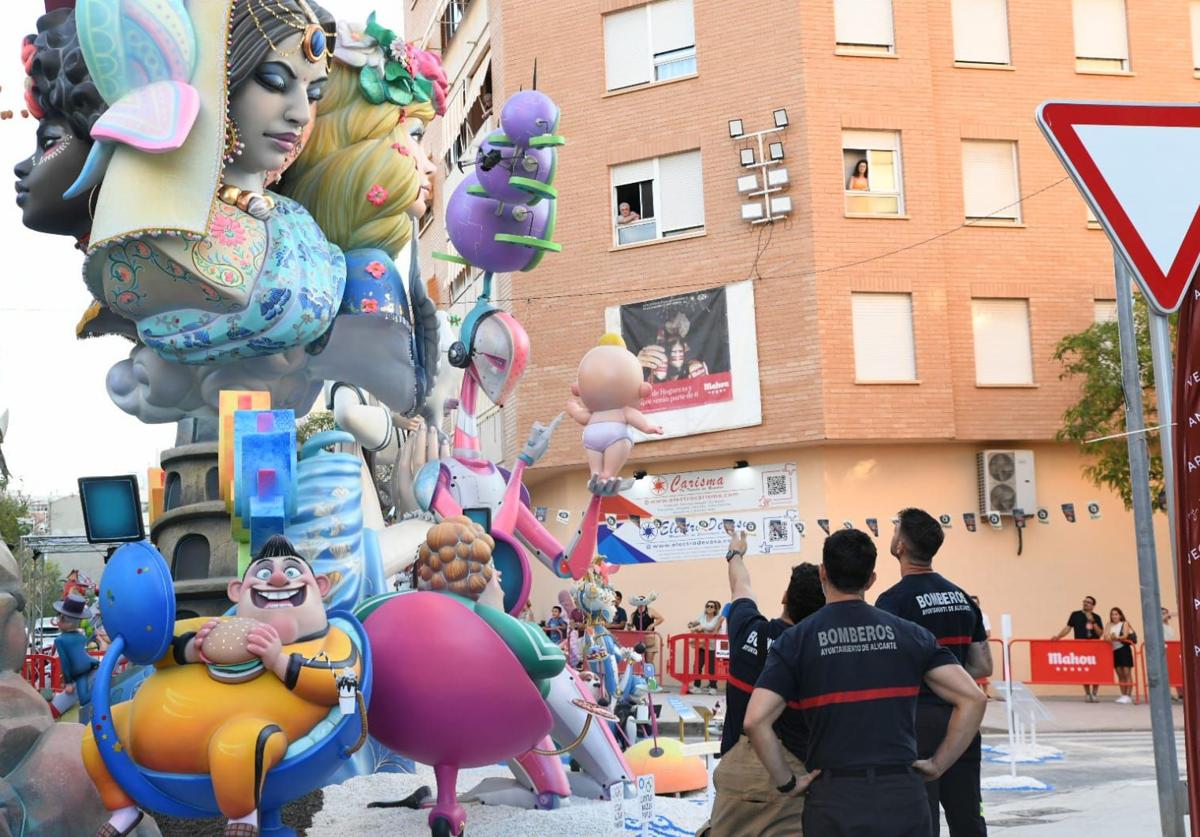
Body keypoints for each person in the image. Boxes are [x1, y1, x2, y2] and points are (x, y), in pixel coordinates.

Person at [81, 535, 361, 837]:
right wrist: (191, 650)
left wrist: (279, 661)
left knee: (238, 743)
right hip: (142, 742)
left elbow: (344, 683)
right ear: (237, 591)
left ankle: (243, 817)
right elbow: (156, 643)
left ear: (319, 586)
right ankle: (122, 808)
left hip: (248, 736)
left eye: (292, 572)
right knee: (95, 735)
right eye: (264, 573)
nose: (278, 578)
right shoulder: (217, 628)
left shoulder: (331, 640)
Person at [745, 529, 987, 837]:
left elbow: (755, 720)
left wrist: (788, 782)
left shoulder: (796, 641)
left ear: (823, 573)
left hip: (834, 798)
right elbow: (973, 699)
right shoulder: (910, 635)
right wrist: (939, 764)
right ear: (871, 579)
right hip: (902, 795)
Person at [697, 530, 825, 837]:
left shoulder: (748, 632)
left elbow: (741, 584)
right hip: (792, 775)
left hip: (735, 771)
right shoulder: (819, 651)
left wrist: (736, 553)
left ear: (784, 597)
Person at [876, 508, 991, 837]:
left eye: (895, 529)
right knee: (967, 815)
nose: (892, 534)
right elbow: (983, 666)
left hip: (916, 723)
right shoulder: (962, 598)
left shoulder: (893, 602)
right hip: (963, 722)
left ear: (900, 547)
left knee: (920, 818)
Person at [49, 592, 98, 721]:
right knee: (83, 698)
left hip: (81, 670)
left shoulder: (61, 640)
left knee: (83, 698)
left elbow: (66, 663)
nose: (57, 622)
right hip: (88, 666)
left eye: (59, 619)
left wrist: (68, 682)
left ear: (67, 622)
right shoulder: (79, 636)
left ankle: (99, 695)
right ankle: (97, 695)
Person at [1051, 595, 1105, 701]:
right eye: (1085, 601)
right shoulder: (1075, 615)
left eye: (1089, 602)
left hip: (1094, 646)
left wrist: (1093, 621)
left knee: (1095, 671)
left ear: (1093, 606)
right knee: (1084, 670)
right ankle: (1087, 693)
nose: (1086, 603)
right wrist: (1058, 637)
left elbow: (1100, 633)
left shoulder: (1097, 617)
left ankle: (1094, 694)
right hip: (1081, 646)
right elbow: (1068, 628)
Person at [688, 600, 723, 694]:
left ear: (715, 609)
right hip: (702, 644)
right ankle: (696, 686)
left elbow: (714, 628)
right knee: (697, 665)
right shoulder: (702, 616)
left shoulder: (718, 618)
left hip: (712, 645)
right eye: (707, 606)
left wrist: (702, 628)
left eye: (712, 606)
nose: (709, 608)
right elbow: (694, 623)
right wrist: (691, 624)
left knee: (711, 667)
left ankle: (713, 687)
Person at [1107, 607, 1137, 704]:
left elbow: (1124, 635)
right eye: (1112, 614)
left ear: (1120, 615)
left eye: (1116, 614)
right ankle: (1123, 694)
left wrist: (1116, 637)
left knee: (1126, 672)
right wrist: (1109, 638)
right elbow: (1105, 636)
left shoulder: (1124, 623)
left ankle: (1128, 695)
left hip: (1123, 649)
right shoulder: (1109, 624)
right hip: (1114, 650)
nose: (1114, 616)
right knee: (1119, 674)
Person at [629, 594, 664, 671]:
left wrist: (652, 625)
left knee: (649, 661)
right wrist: (629, 627)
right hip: (638, 640)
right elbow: (630, 625)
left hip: (649, 639)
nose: (640, 604)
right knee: (638, 660)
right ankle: (641, 678)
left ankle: (650, 680)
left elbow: (660, 618)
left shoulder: (650, 610)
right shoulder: (634, 614)